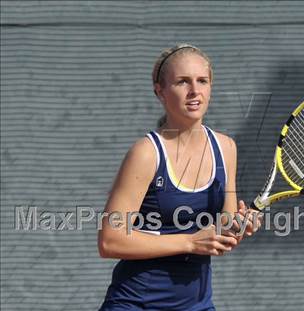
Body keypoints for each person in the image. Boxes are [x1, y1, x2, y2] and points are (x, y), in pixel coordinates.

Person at [97, 43, 262, 310]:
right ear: (160, 91)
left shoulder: (227, 147)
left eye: (202, 81)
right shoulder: (146, 154)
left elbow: (223, 230)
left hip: (197, 304)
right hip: (136, 303)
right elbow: (109, 241)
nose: (195, 91)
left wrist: (241, 226)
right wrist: (190, 241)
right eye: (182, 82)